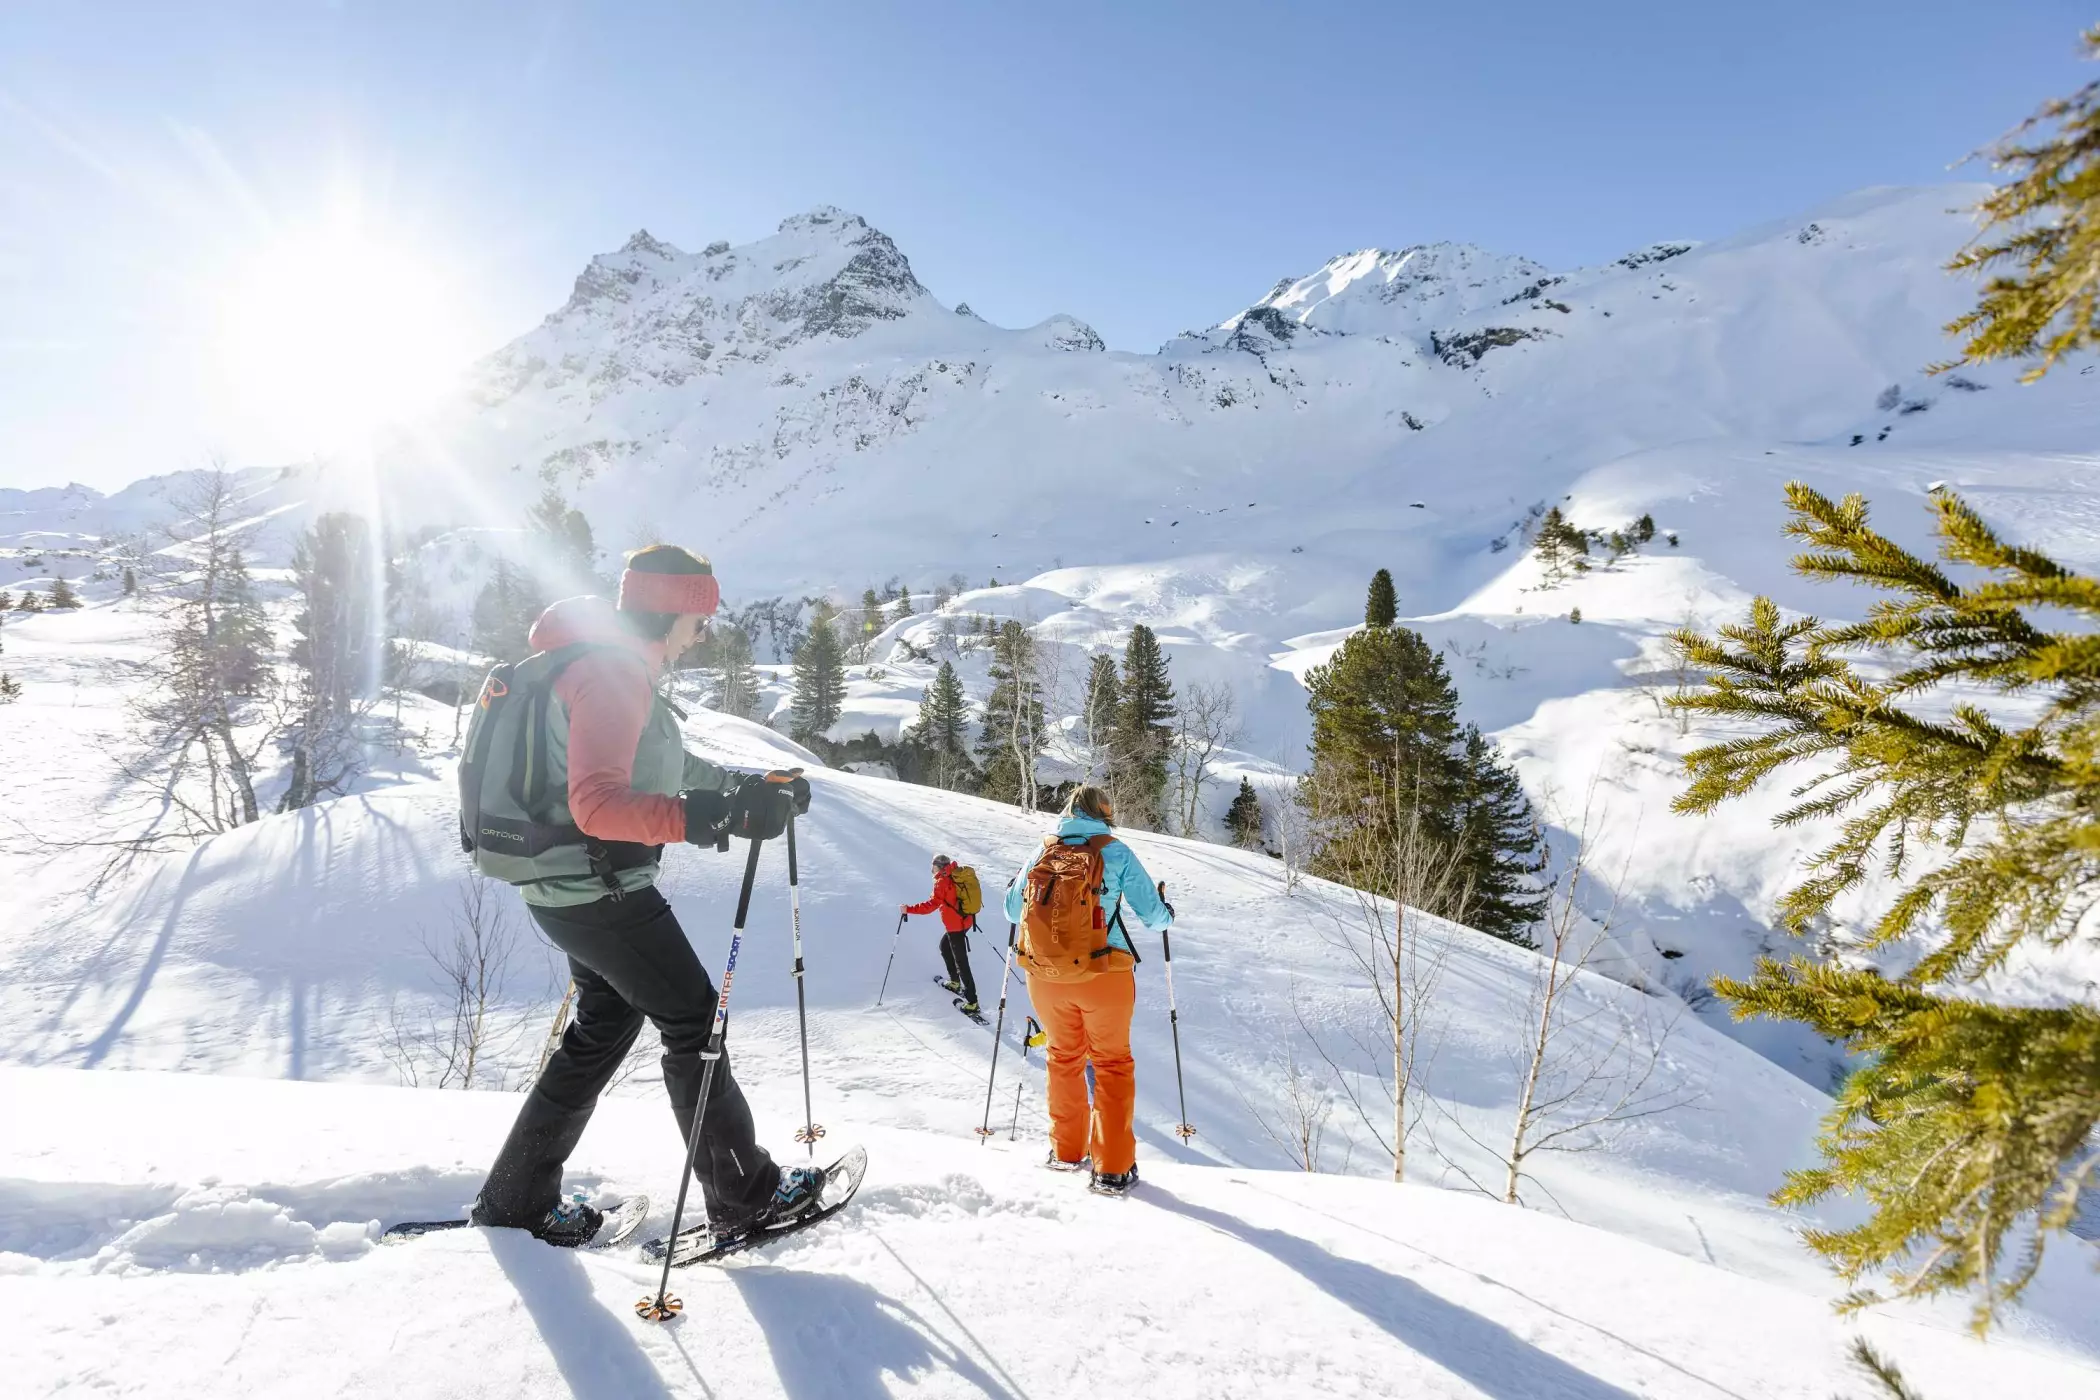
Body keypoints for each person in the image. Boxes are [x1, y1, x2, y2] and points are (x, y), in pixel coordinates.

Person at [467, 544, 817, 1245]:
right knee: (694, 1023)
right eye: (698, 620)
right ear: (670, 612)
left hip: (561, 886)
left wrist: (741, 787)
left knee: (605, 1026)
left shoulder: (599, 663)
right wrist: (710, 819)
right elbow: (599, 804)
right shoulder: (612, 674)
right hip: (601, 889)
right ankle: (746, 1196)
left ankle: (516, 1199)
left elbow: (659, 759)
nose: (702, 635)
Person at [1001, 784, 1173, 1196]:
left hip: (1045, 976)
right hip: (1103, 974)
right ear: (1105, 814)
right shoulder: (1115, 851)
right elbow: (1154, 918)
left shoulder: (1044, 849)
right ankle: (1112, 1169)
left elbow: (1011, 910)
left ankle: (1066, 1151)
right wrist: (1167, 911)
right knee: (1111, 1064)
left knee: (1063, 1058)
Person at [900, 854, 981, 1013]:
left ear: (939, 866)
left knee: (961, 962)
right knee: (945, 947)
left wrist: (908, 909)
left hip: (956, 926)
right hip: (965, 920)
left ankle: (972, 1002)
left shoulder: (942, 882)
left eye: (934, 865)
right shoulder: (955, 873)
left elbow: (931, 905)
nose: (932, 868)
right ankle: (955, 982)